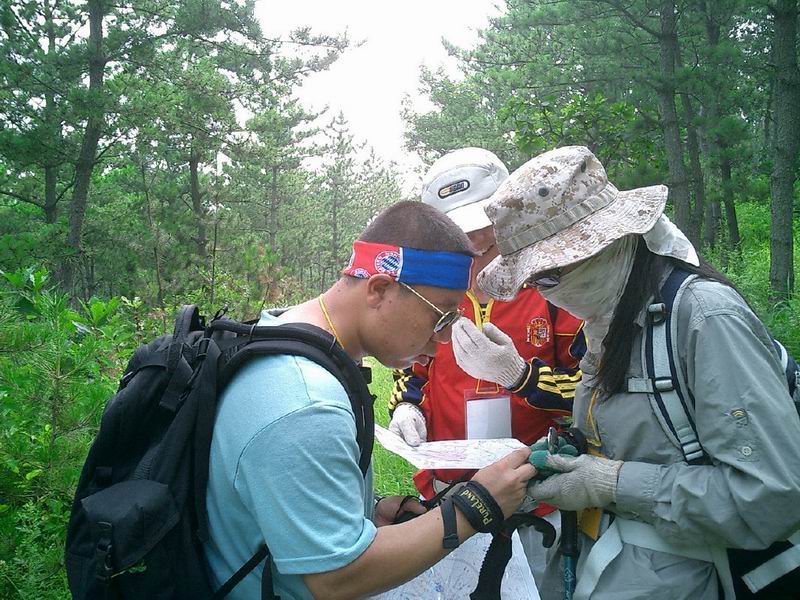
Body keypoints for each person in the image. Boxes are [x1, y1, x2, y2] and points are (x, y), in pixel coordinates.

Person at [454, 145, 800, 600]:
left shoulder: (705, 319)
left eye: (546, 277)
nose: (542, 293)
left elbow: (772, 495)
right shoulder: (609, 320)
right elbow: (639, 437)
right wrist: (567, 452)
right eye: (531, 281)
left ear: (605, 245)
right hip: (619, 563)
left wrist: (610, 483)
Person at [203, 200, 537, 600]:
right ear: (379, 289)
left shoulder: (286, 334)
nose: (445, 339)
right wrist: (476, 505)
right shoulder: (308, 405)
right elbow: (337, 578)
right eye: (442, 316)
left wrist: (369, 512)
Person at [387, 148, 584, 580]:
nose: (475, 244)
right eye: (459, 235)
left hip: (536, 498)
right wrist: (406, 407)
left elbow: (592, 394)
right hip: (449, 497)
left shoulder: (553, 287)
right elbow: (411, 371)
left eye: (485, 226)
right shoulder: (427, 293)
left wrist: (522, 378)